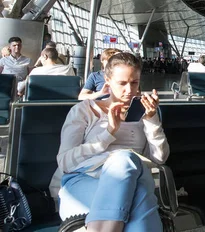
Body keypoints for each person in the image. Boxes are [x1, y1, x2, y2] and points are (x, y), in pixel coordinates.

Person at [52, 52, 169, 231]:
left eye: (134, 83)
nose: (130, 90)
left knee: (134, 171)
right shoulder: (84, 111)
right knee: (129, 167)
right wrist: (108, 133)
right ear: (108, 81)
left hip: (133, 179)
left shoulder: (144, 114)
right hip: (84, 180)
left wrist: (151, 119)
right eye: (122, 83)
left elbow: (159, 159)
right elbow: (65, 162)